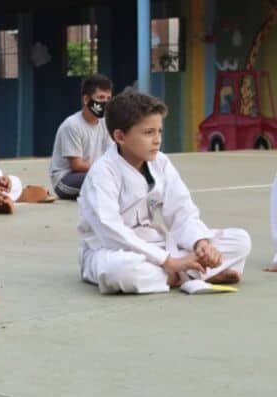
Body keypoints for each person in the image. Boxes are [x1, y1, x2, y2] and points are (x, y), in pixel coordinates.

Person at [78, 90, 251, 294]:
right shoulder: (102, 173)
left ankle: (184, 271)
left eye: (159, 131)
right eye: (148, 132)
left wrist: (200, 243)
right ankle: (185, 274)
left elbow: (182, 211)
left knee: (240, 240)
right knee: (123, 271)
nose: (157, 140)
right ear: (120, 136)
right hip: (111, 250)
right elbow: (110, 231)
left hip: (155, 243)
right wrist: (169, 262)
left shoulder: (160, 162)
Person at [49, 73, 113, 199]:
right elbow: (77, 165)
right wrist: (108, 170)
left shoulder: (105, 124)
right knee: (102, 178)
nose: (105, 103)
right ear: (86, 99)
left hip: (93, 173)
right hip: (65, 180)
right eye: (100, 98)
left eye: (108, 99)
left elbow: (111, 156)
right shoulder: (72, 125)